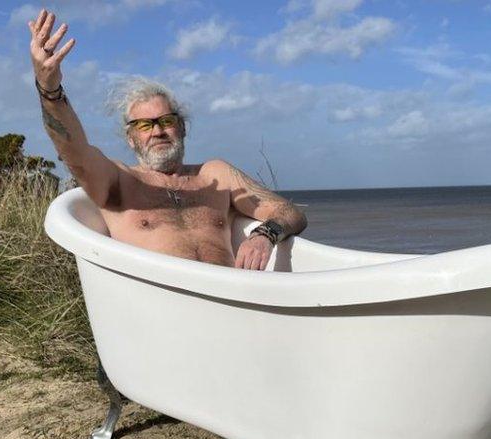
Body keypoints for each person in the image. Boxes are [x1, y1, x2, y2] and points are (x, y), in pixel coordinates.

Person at [28, 9, 306, 270]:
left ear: (182, 127)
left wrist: (264, 234)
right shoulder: (119, 181)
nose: (157, 131)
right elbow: (73, 150)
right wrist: (49, 90)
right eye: (144, 125)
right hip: (158, 309)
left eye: (167, 121)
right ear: (131, 138)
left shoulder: (216, 176)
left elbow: (289, 212)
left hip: (230, 303)